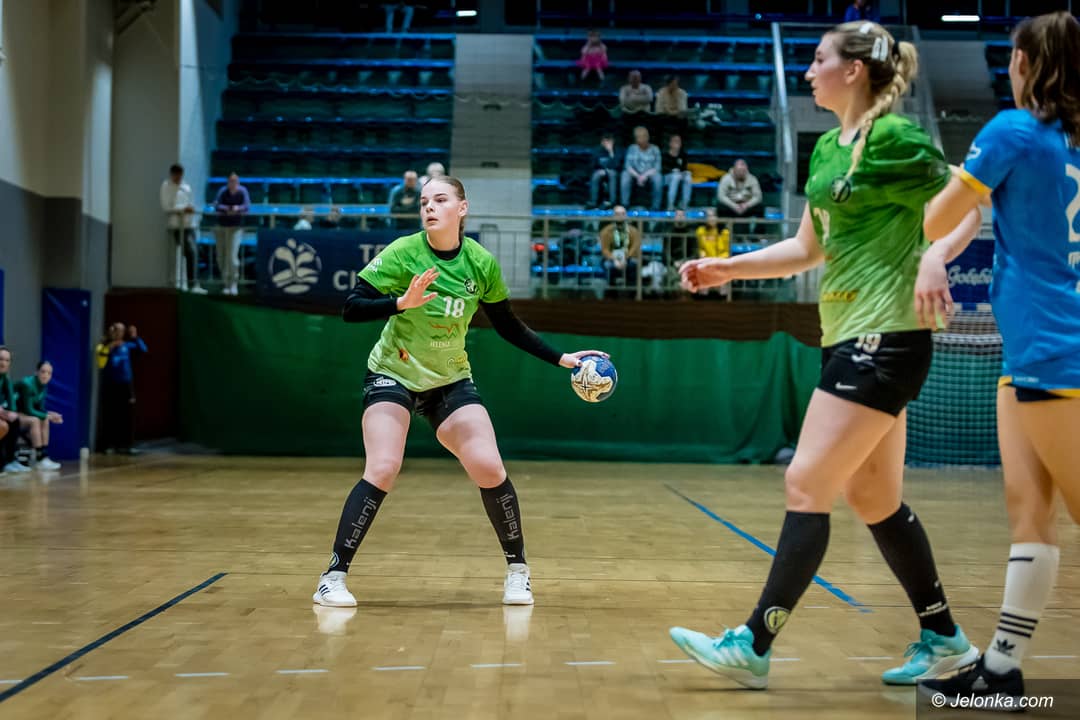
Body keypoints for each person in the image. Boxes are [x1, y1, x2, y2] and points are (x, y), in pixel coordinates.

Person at [669, 21, 983, 690]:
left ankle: (754, 642)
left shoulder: (895, 138)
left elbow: (968, 205)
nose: (809, 72)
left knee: (805, 483)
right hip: (844, 336)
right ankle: (947, 641)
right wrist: (729, 268)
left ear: (854, 71)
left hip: (886, 338)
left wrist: (935, 255)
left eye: (818, 60)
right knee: (874, 497)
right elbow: (806, 249)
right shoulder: (825, 151)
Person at [312, 176, 608, 608]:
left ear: (462, 208)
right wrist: (400, 303)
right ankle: (332, 577)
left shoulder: (480, 263)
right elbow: (351, 308)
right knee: (384, 466)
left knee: (489, 466)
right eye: (424, 202)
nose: (429, 207)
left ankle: (518, 572)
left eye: (440, 199)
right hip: (393, 373)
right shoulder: (404, 252)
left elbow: (508, 325)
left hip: (449, 379)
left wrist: (561, 358)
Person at [918, 12, 1080, 706]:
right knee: (1029, 514)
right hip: (1033, 351)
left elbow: (936, 218)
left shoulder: (1013, 130)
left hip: (1054, 349)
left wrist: (957, 178)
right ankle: (1003, 669)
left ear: (1023, 63)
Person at [99, 323, 148, 455]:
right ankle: (109, 445)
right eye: (116, 330)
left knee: (127, 415)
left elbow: (143, 349)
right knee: (110, 414)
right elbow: (101, 358)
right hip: (111, 384)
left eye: (121, 331)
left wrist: (135, 337)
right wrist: (109, 346)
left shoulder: (127, 345)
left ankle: (126, 445)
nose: (118, 333)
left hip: (126, 385)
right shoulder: (105, 346)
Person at [160, 163, 206, 294]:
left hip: (188, 225)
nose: (178, 178)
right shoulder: (166, 187)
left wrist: (190, 210)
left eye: (180, 176)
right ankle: (182, 283)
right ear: (172, 174)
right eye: (176, 175)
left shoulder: (186, 187)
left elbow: (190, 203)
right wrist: (182, 209)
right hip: (176, 225)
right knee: (185, 253)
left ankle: (193, 283)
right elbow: (166, 206)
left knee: (193, 252)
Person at [15, 361, 63, 470]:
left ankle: (43, 457)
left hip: (23, 413)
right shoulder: (27, 384)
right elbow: (28, 409)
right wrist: (47, 416)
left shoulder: (43, 386)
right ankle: (39, 457)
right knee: (36, 420)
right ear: (36, 372)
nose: (46, 375)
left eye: (49, 373)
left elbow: (39, 409)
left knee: (44, 419)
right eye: (43, 372)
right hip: (11, 412)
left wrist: (51, 414)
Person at [213, 172, 251, 296]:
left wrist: (237, 209)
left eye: (235, 181)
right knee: (221, 256)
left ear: (238, 182)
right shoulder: (222, 191)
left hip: (236, 227)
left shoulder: (243, 191)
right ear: (228, 182)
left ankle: (233, 283)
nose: (233, 183)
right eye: (231, 181)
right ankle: (225, 283)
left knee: (232, 256)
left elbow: (247, 206)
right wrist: (227, 209)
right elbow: (216, 205)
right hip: (221, 227)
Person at [0, 347, 29, 473]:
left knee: (15, 420)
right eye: (1, 359)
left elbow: (12, 405)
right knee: (3, 426)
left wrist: (11, 413)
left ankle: (10, 461)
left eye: (7, 360)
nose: (3, 363)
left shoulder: (5, 379)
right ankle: (2, 462)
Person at [599, 205, 641, 290]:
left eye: (623, 213)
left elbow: (635, 248)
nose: (620, 216)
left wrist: (625, 258)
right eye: (617, 214)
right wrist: (614, 259)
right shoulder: (606, 231)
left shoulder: (634, 231)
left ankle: (632, 292)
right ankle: (611, 292)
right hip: (611, 259)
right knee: (607, 265)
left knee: (635, 264)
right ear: (613, 216)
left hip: (628, 258)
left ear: (626, 216)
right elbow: (605, 249)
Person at [620, 126, 662, 210]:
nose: (640, 140)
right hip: (635, 174)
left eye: (642, 137)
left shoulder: (655, 149)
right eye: (638, 138)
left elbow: (657, 167)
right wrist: (638, 176)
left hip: (649, 174)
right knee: (625, 175)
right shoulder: (632, 148)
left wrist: (645, 175)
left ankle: (656, 206)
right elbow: (628, 166)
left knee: (658, 177)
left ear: (647, 137)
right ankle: (625, 204)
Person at [716, 159, 764, 230]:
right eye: (739, 171)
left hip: (746, 205)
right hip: (731, 205)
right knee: (720, 207)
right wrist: (734, 206)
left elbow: (758, 197)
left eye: (743, 171)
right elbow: (721, 196)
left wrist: (747, 205)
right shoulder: (726, 178)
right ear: (734, 169)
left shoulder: (752, 179)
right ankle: (722, 233)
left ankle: (758, 234)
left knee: (760, 207)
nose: (741, 173)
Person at [589, 133, 622, 209]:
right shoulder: (597, 150)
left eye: (608, 141)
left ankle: (612, 202)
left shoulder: (617, 150)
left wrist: (611, 152)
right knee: (596, 175)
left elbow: (617, 165)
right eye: (605, 141)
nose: (606, 143)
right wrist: (602, 170)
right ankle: (593, 202)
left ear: (612, 142)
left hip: (614, 172)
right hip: (600, 172)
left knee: (612, 174)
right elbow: (593, 165)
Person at [662, 134, 693, 211]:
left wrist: (684, 172)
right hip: (666, 178)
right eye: (675, 141)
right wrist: (672, 171)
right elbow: (662, 169)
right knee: (676, 176)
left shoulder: (683, 154)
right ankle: (670, 205)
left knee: (688, 177)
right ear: (670, 143)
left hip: (679, 176)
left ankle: (684, 204)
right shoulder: (665, 154)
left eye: (679, 141)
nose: (677, 143)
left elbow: (684, 168)